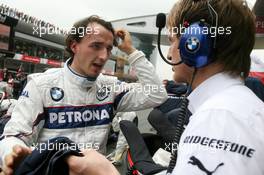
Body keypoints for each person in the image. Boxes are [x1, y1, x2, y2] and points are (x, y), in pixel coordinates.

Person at [65, 0, 264, 174]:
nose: (169, 54)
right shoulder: (231, 106)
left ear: (195, 44)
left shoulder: (219, 116)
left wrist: (106, 172)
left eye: (172, 40)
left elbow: (155, 93)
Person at [0, 15, 167, 174]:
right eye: (96, 46)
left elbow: (157, 94)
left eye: (109, 49)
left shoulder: (110, 87)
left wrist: (131, 51)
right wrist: (13, 153)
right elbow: (13, 136)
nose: (103, 56)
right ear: (74, 46)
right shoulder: (41, 85)